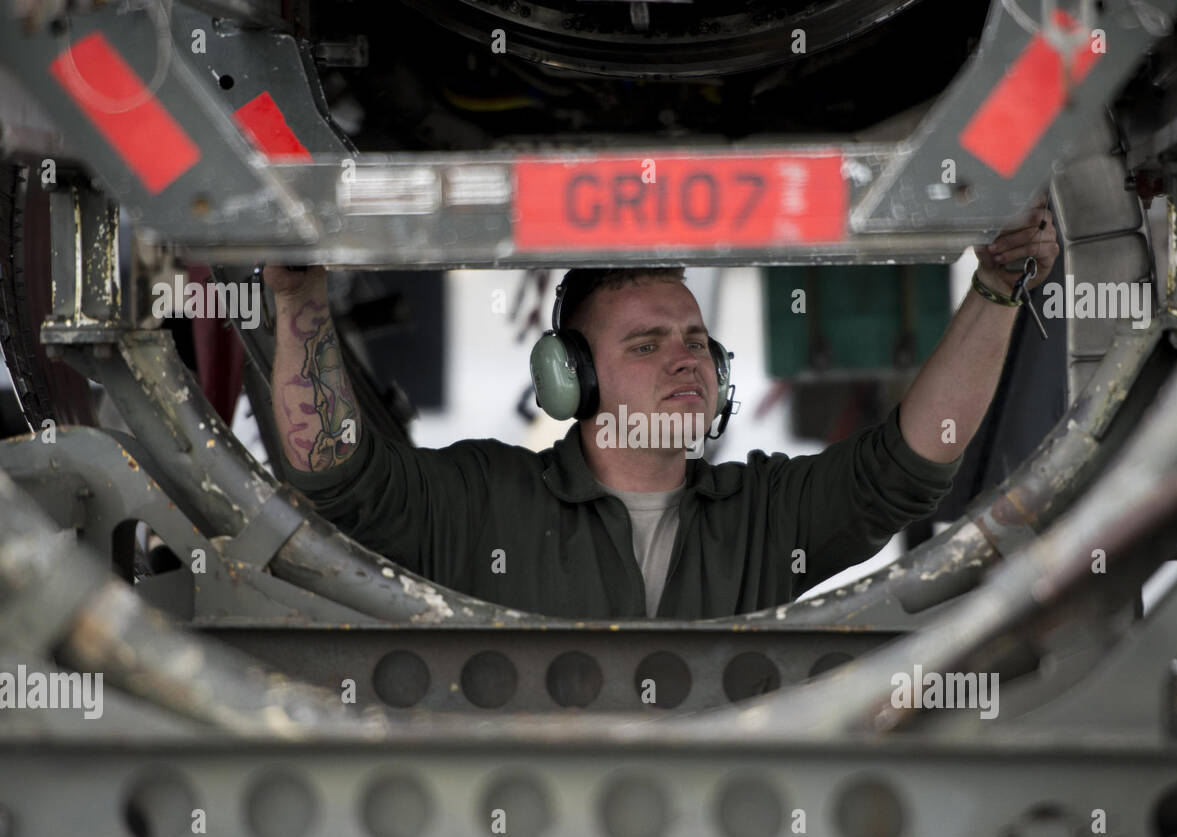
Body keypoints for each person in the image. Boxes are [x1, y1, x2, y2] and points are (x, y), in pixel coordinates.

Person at [263, 199, 1058, 618]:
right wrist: (299, 298)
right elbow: (341, 479)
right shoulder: (481, 500)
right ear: (571, 377)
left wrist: (995, 288)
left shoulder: (761, 514)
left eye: (693, 338)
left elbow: (909, 471)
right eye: (645, 345)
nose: (685, 357)